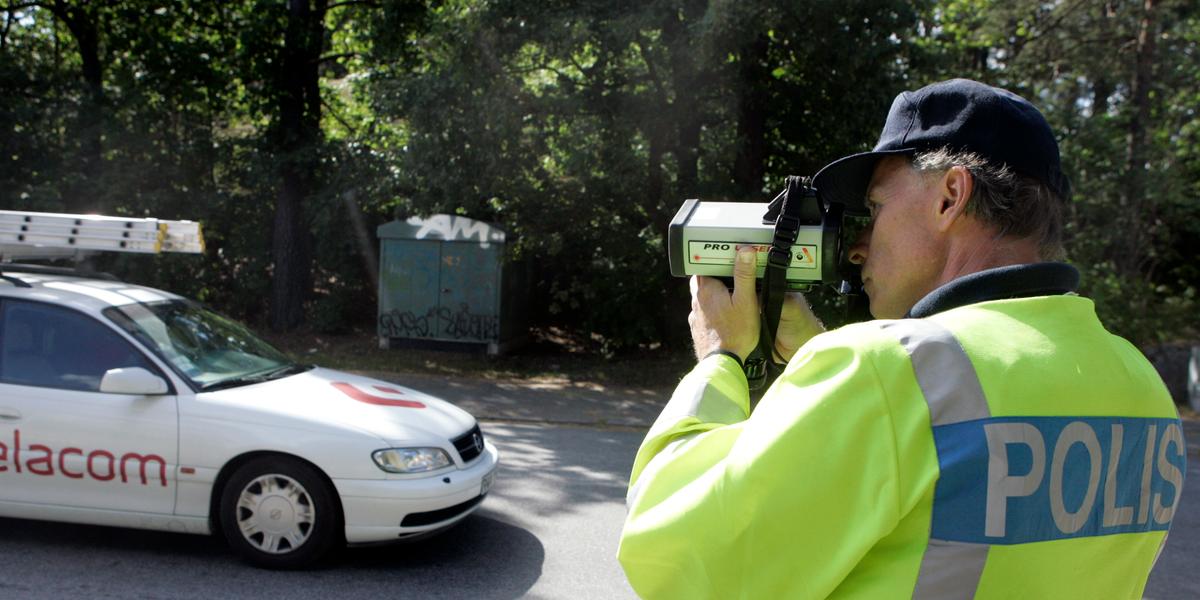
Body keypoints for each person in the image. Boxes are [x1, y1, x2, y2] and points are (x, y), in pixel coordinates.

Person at [617, 78, 1186, 599]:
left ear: (950, 195)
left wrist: (722, 358)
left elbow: (671, 560)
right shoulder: (1139, 384)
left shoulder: (884, 371)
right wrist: (820, 361)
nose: (858, 246)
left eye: (874, 209)